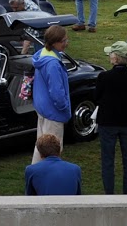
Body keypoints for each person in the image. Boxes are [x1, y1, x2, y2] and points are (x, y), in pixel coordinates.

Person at [94, 41, 127, 194]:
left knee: (108, 160)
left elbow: (97, 97)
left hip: (107, 122)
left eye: (111, 54)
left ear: (115, 58)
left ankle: (109, 194)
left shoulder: (104, 77)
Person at [31, 24, 71, 163]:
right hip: (53, 112)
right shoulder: (53, 64)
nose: (67, 43)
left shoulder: (42, 54)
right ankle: (49, 180)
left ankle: (35, 176)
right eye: (64, 40)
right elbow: (57, 92)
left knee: (41, 145)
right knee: (53, 150)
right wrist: (64, 107)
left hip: (42, 108)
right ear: (55, 42)